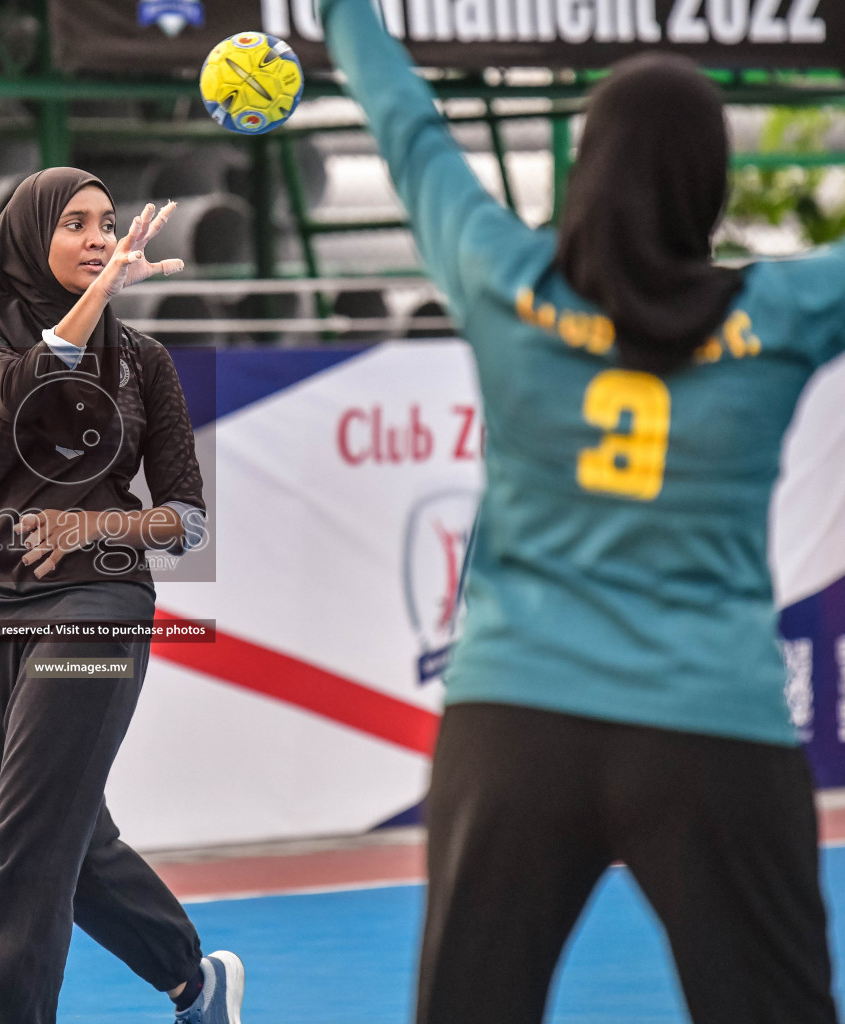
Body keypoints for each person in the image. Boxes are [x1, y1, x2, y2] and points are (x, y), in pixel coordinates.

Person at [318, 1, 845, 1021]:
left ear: (586, 170)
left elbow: (406, 124)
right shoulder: (778, 315)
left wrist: (343, 10)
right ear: (708, 183)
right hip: (713, 724)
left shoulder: (502, 279)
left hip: (514, 721)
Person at [0, 168, 244, 1024]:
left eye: (107, 224)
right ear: (26, 237)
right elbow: (29, 390)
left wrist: (99, 531)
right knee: (71, 845)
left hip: (99, 611)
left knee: (28, 847)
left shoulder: (145, 364)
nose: (98, 239)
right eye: (75, 223)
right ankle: (194, 979)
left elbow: (186, 521)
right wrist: (100, 298)